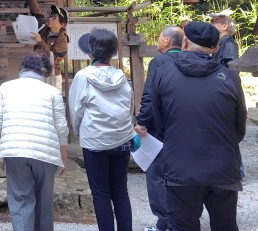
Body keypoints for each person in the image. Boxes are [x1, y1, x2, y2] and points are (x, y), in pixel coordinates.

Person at [152, 21, 246, 231]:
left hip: (180, 165)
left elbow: (160, 122)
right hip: (223, 165)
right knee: (225, 225)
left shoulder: (163, 73)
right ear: (216, 48)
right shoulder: (230, 77)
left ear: (184, 42)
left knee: (182, 226)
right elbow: (239, 127)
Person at [0, 51, 69, 231]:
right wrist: (63, 156)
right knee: (44, 202)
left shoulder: (5, 88)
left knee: (21, 200)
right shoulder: (52, 92)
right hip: (46, 152)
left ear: (22, 68)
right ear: (45, 72)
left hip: (14, 150)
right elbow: (61, 127)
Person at [69, 29, 134, 231]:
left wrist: (80, 134)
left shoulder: (83, 76)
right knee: (120, 192)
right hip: (122, 139)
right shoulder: (121, 76)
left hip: (95, 141)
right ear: (113, 52)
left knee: (101, 194)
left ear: (90, 52)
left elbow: (76, 111)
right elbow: (129, 107)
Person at [134, 25, 184, 231]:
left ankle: (164, 223)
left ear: (166, 41)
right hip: (184, 125)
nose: (157, 41)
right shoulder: (189, 59)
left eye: (159, 37)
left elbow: (150, 95)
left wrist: (142, 121)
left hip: (161, 126)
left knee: (157, 175)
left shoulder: (159, 61)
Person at [23, 0, 69, 91]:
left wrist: (40, 42)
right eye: (50, 15)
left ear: (62, 24)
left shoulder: (62, 39)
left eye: (54, 17)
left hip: (51, 76)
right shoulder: (44, 28)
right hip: (37, 72)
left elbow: (52, 58)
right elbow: (36, 11)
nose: (50, 18)